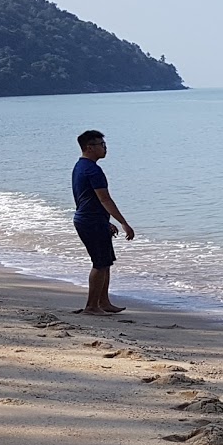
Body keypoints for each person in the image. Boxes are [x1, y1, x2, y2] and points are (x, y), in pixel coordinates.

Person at [71, 129, 135, 314]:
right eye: (101, 145)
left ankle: (103, 302)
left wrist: (105, 221)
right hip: (89, 221)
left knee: (106, 262)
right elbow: (105, 199)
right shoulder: (92, 169)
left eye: (104, 144)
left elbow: (86, 198)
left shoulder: (81, 166)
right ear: (89, 148)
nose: (105, 148)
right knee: (99, 263)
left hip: (92, 219)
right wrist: (124, 222)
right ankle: (92, 306)